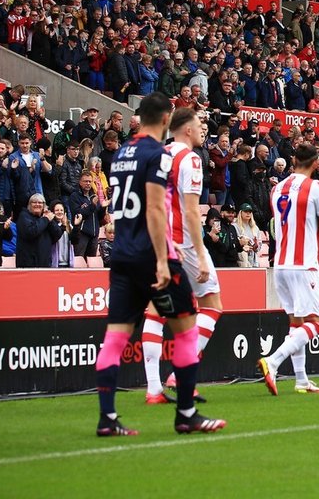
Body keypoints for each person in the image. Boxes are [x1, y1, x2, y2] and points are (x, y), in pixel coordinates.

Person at [94, 92, 225, 436]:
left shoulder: (121, 153)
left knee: (115, 338)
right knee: (185, 330)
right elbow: (155, 208)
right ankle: (186, 413)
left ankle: (107, 418)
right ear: (167, 119)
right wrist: (164, 262)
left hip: (121, 254)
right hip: (153, 255)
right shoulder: (160, 155)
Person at [141, 109, 225, 404]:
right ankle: (179, 373)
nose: (204, 129)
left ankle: (153, 390)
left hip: (154, 241)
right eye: (200, 124)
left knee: (155, 310)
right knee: (212, 305)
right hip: (183, 243)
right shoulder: (189, 159)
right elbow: (190, 210)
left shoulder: (157, 154)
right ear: (186, 129)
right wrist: (201, 254)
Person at [258, 143, 319, 396]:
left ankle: (301, 380)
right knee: (317, 323)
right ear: (315, 163)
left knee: (296, 323)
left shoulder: (277, 188)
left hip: (280, 263)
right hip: (303, 264)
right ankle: (273, 361)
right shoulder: (314, 188)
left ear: (293, 160)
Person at [15, 194, 64, 267]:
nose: (37, 204)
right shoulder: (24, 216)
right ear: (29, 205)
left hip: (45, 263)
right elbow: (31, 232)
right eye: (34, 202)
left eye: (40, 203)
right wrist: (46, 219)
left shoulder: (46, 217)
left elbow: (57, 234)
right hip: (28, 264)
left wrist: (50, 221)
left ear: (44, 205)